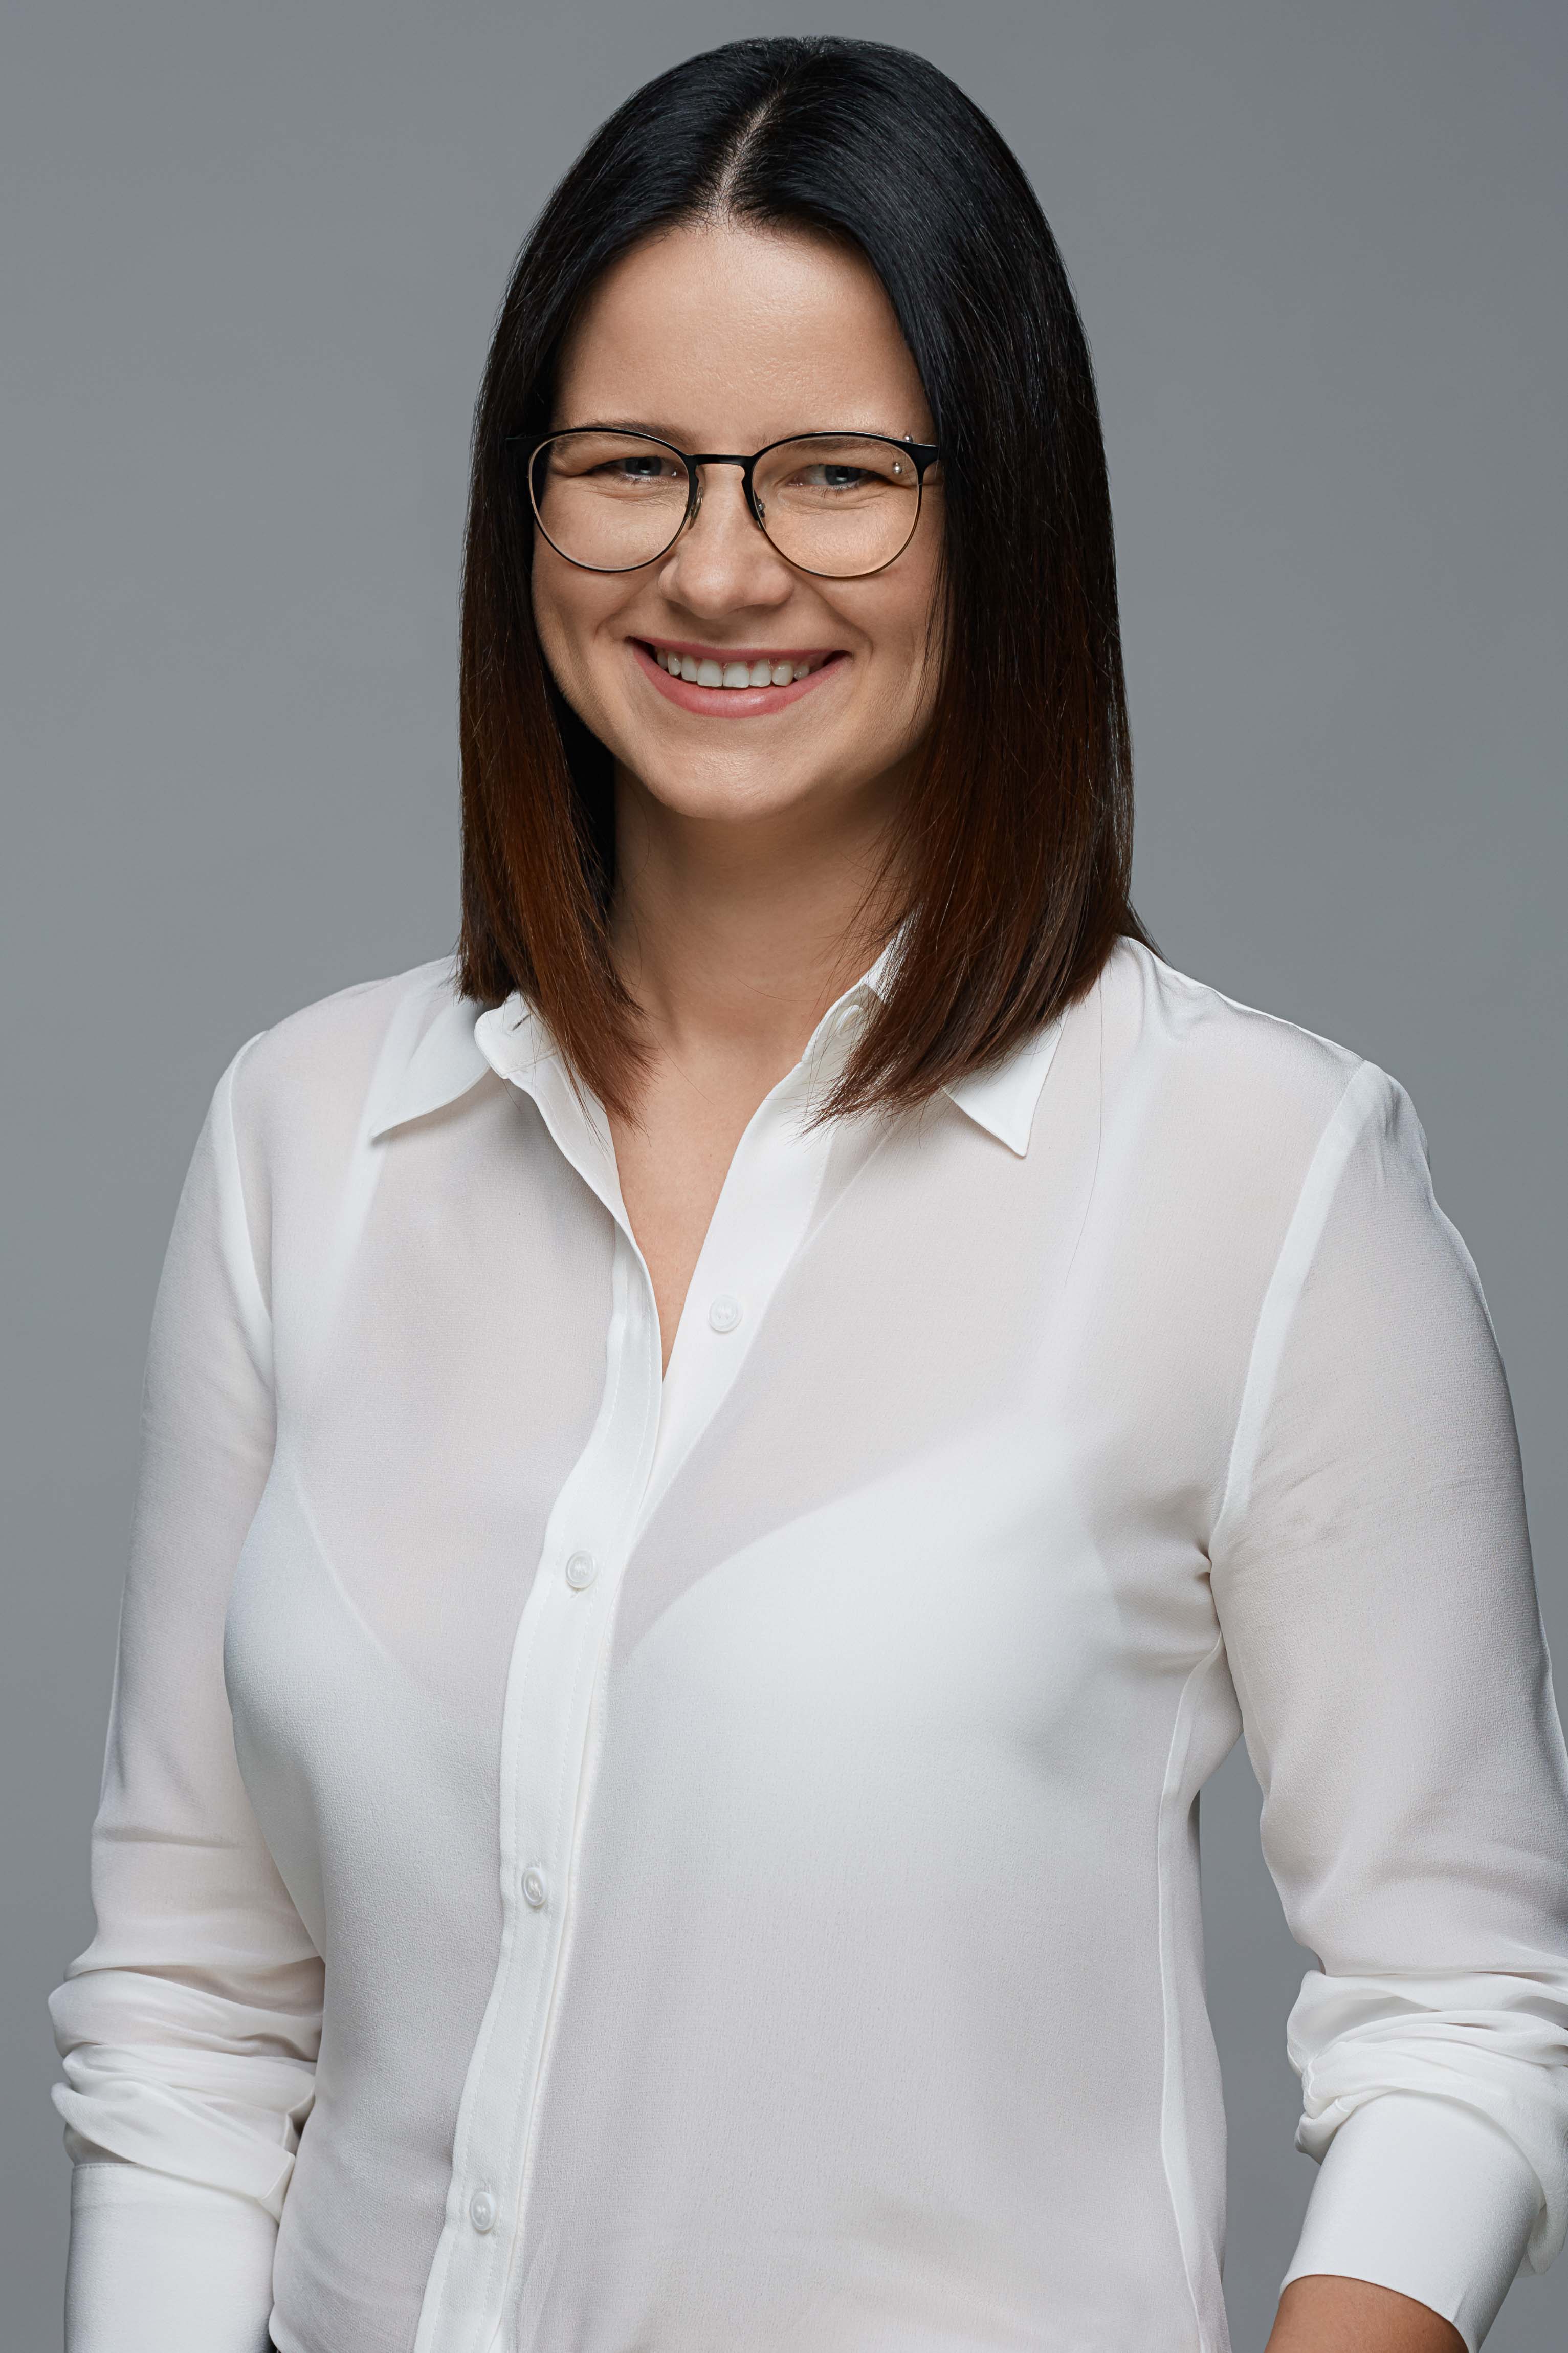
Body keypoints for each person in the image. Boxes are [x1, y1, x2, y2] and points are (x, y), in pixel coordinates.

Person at [49, 34, 1568, 2353]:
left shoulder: (1260, 1179)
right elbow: (191, 2006)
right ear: (524, 505)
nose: (717, 563)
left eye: (837, 475)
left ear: (1001, 513)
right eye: (629, 467)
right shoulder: (303, 1137)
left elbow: (1461, 2000)